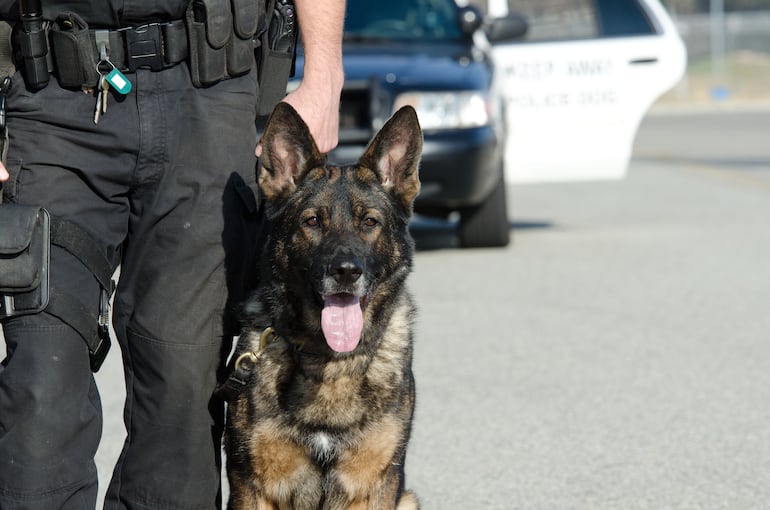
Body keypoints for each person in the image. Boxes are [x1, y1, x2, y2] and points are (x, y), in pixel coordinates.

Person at [0, 0, 344, 508]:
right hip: (50, 99)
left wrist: (325, 73)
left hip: (211, 95)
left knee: (183, 393)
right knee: (40, 385)